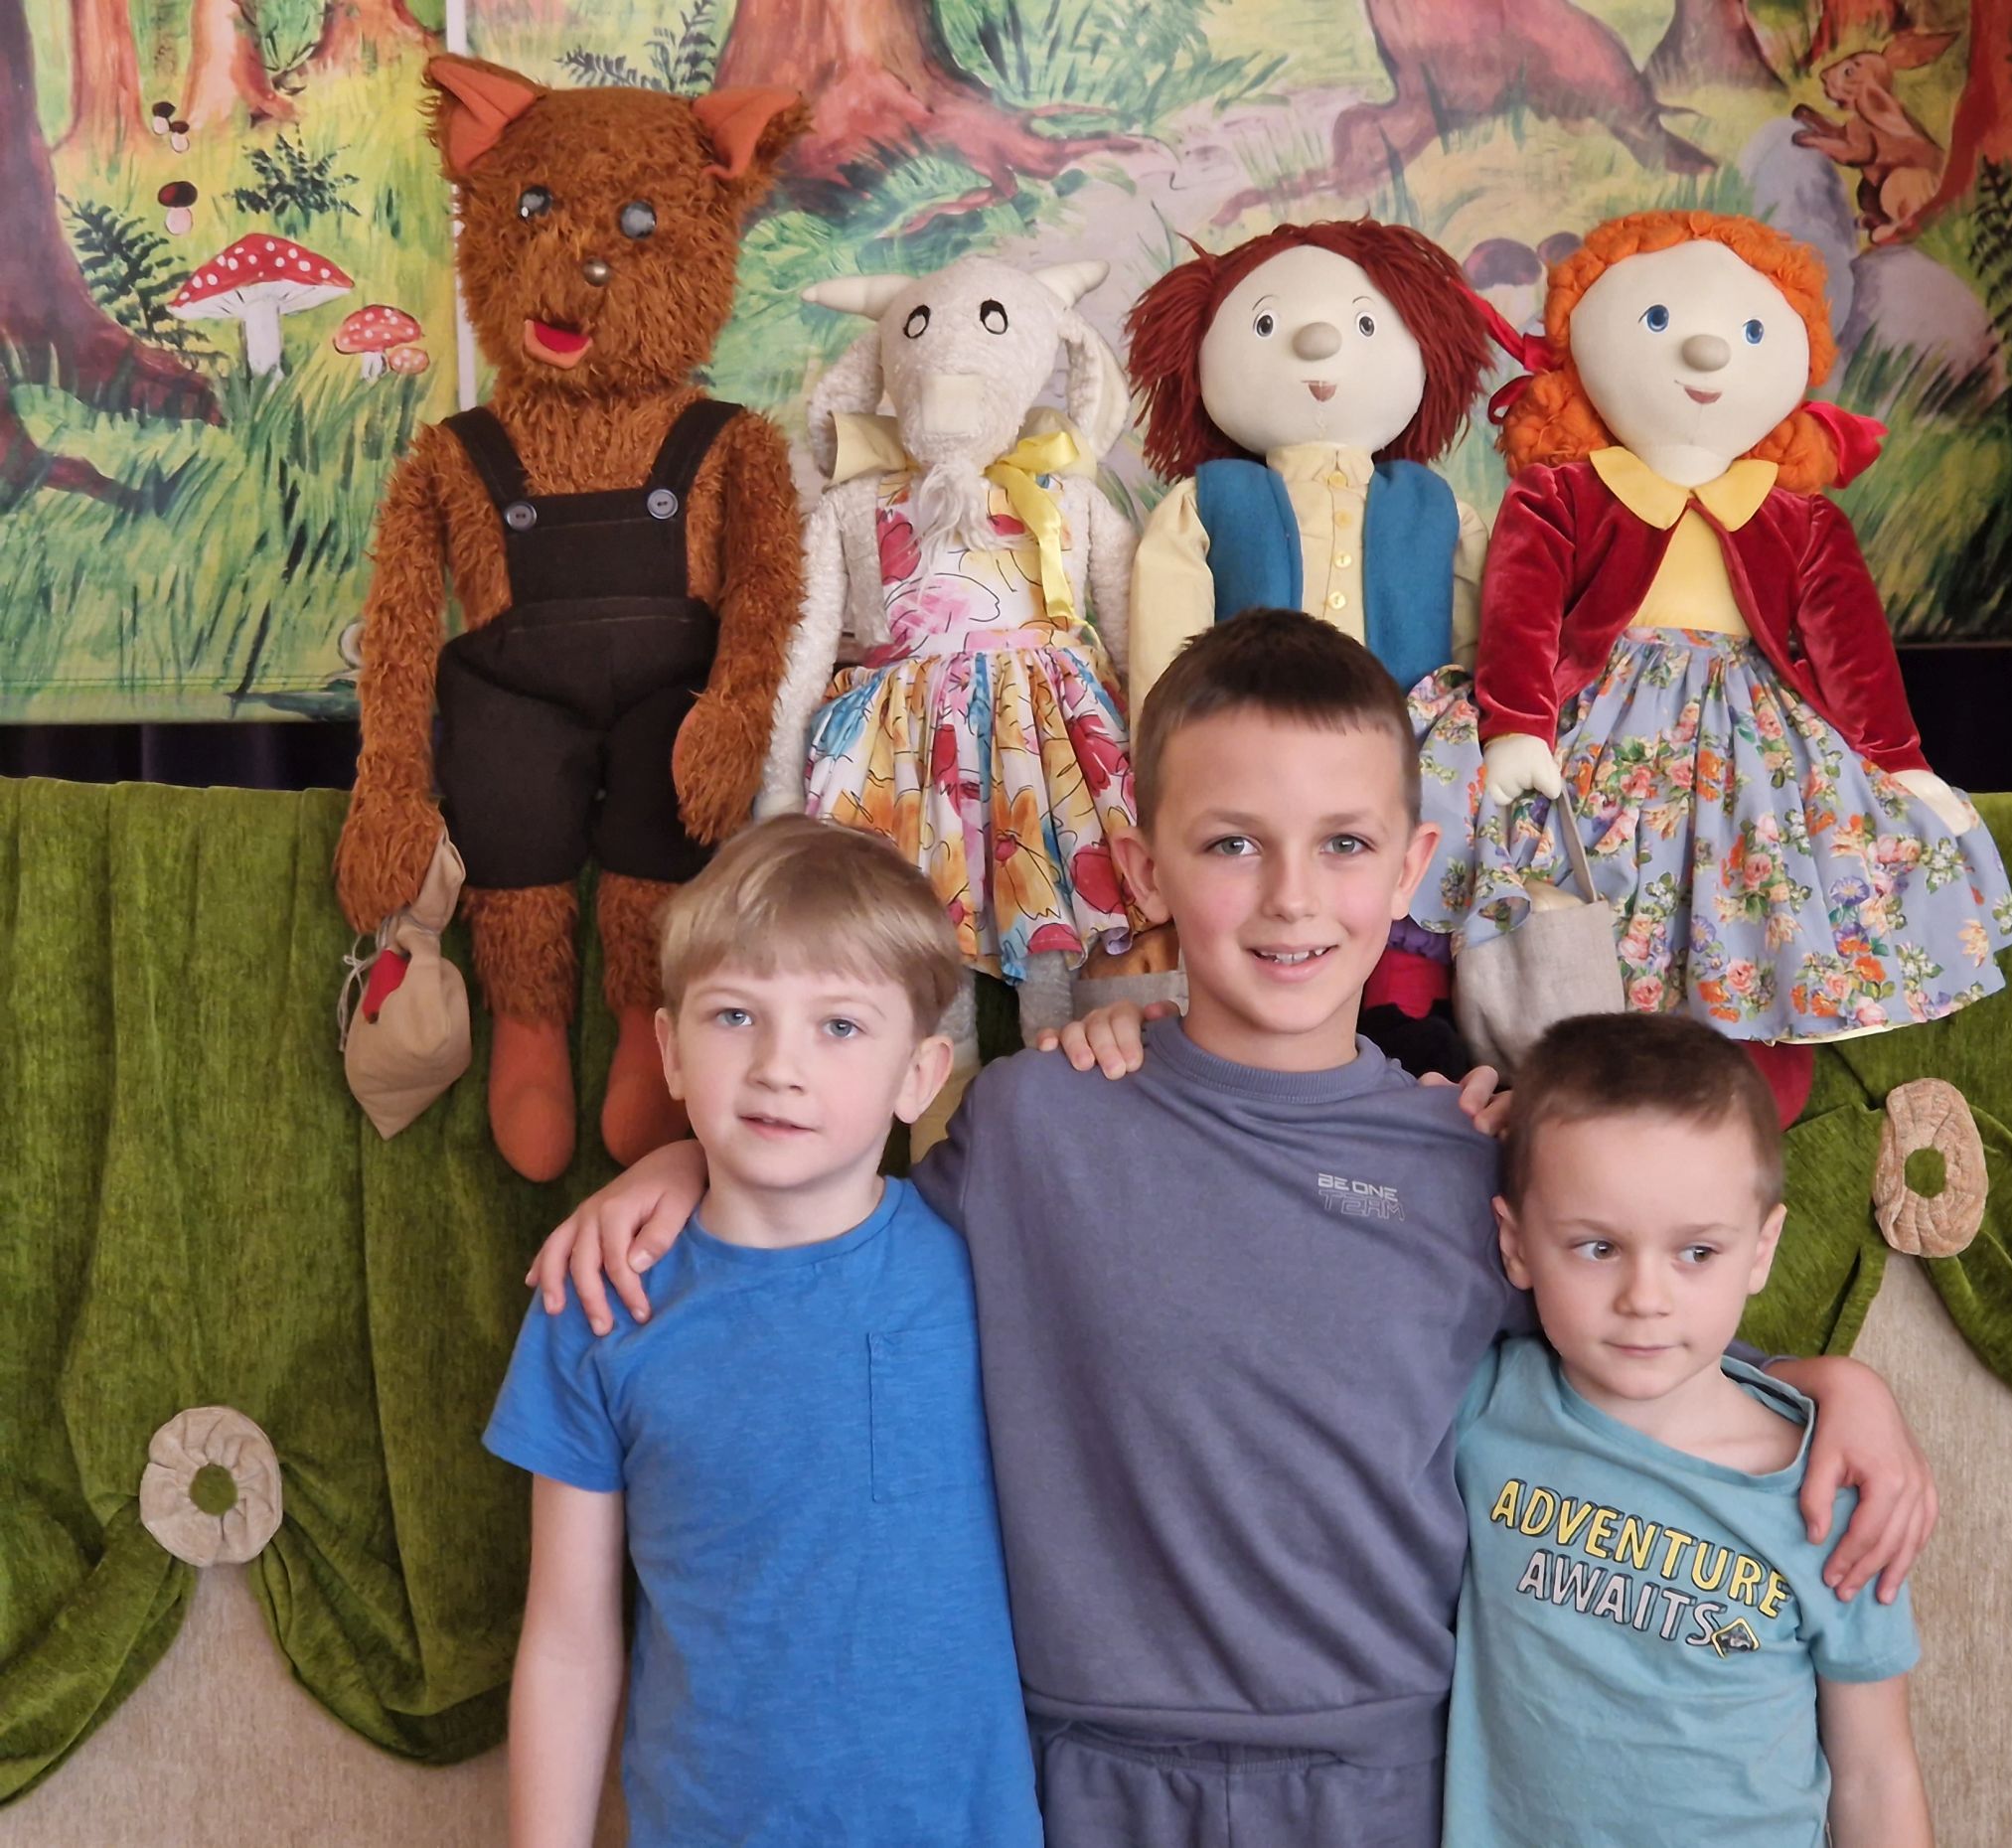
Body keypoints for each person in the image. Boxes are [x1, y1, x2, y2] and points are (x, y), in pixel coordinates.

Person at [525, 611, 1935, 1848]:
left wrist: (1835, 1389)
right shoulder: (1033, 1128)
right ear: (1143, 868)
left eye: (1343, 845)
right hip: (1081, 1769)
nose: (1290, 898)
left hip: (1383, 1771)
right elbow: (830, 1236)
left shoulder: (1473, 1167)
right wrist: (673, 1170)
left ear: (1413, 865)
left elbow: (1637, 1346)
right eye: (1231, 846)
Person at [483, 818, 1041, 1848]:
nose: (779, 1066)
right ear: (669, 1051)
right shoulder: (598, 1300)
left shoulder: (985, 1261)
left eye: (840, 1026)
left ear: (919, 1076)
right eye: (736, 1015)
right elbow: (566, 1641)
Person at [1449, 1010, 1928, 1847]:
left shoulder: (1834, 1491)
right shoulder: (1480, 1408)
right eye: (1597, 1248)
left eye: (1696, 1253)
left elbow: (1875, 1772)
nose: (1646, 1297)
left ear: (1761, 1250)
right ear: (1516, 1244)